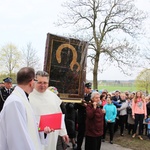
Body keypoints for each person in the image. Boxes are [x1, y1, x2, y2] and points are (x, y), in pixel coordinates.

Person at [0, 67, 51, 150]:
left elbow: (29, 126)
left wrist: (42, 131)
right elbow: (18, 139)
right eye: (36, 80)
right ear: (31, 82)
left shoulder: (23, 99)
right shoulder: (15, 102)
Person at [29, 71, 69, 150]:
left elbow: (59, 115)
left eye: (45, 83)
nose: (42, 85)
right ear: (34, 81)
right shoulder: (29, 96)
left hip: (52, 134)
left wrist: (63, 133)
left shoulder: (53, 96)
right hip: (35, 134)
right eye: (40, 82)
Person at [74, 82, 92, 150]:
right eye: (88, 88)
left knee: (88, 134)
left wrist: (86, 106)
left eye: (90, 88)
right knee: (80, 134)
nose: (89, 90)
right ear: (84, 88)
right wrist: (81, 104)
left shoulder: (91, 96)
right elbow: (75, 107)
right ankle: (79, 147)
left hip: (88, 118)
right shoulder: (80, 96)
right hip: (81, 117)